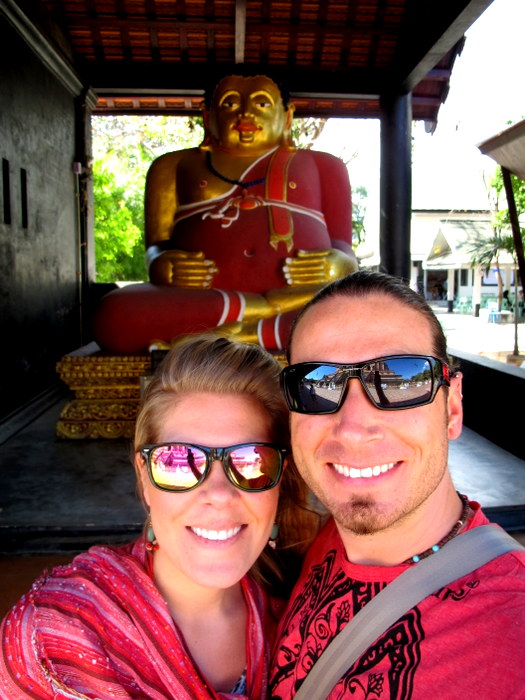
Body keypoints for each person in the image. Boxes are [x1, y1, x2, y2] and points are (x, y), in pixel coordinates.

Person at [0, 335, 320, 699]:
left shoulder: (298, 619)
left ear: (279, 479)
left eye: (250, 461)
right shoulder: (57, 634)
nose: (218, 494)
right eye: (178, 462)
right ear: (144, 476)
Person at [270, 270, 525, 698]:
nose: (353, 427)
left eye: (399, 379)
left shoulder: (511, 631)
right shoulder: (323, 540)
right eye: (316, 385)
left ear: (453, 408)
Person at [93, 69, 357, 354]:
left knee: (360, 310)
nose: (245, 113)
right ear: (208, 118)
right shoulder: (173, 166)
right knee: (113, 313)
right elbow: (157, 247)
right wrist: (163, 264)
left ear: (287, 117)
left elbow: (344, 248)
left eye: (262, 104)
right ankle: (266, 325)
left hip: (299, 295)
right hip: (205, 300)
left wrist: (340, 264)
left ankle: (237, 335)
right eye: (229, 103)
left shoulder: (324, 166)